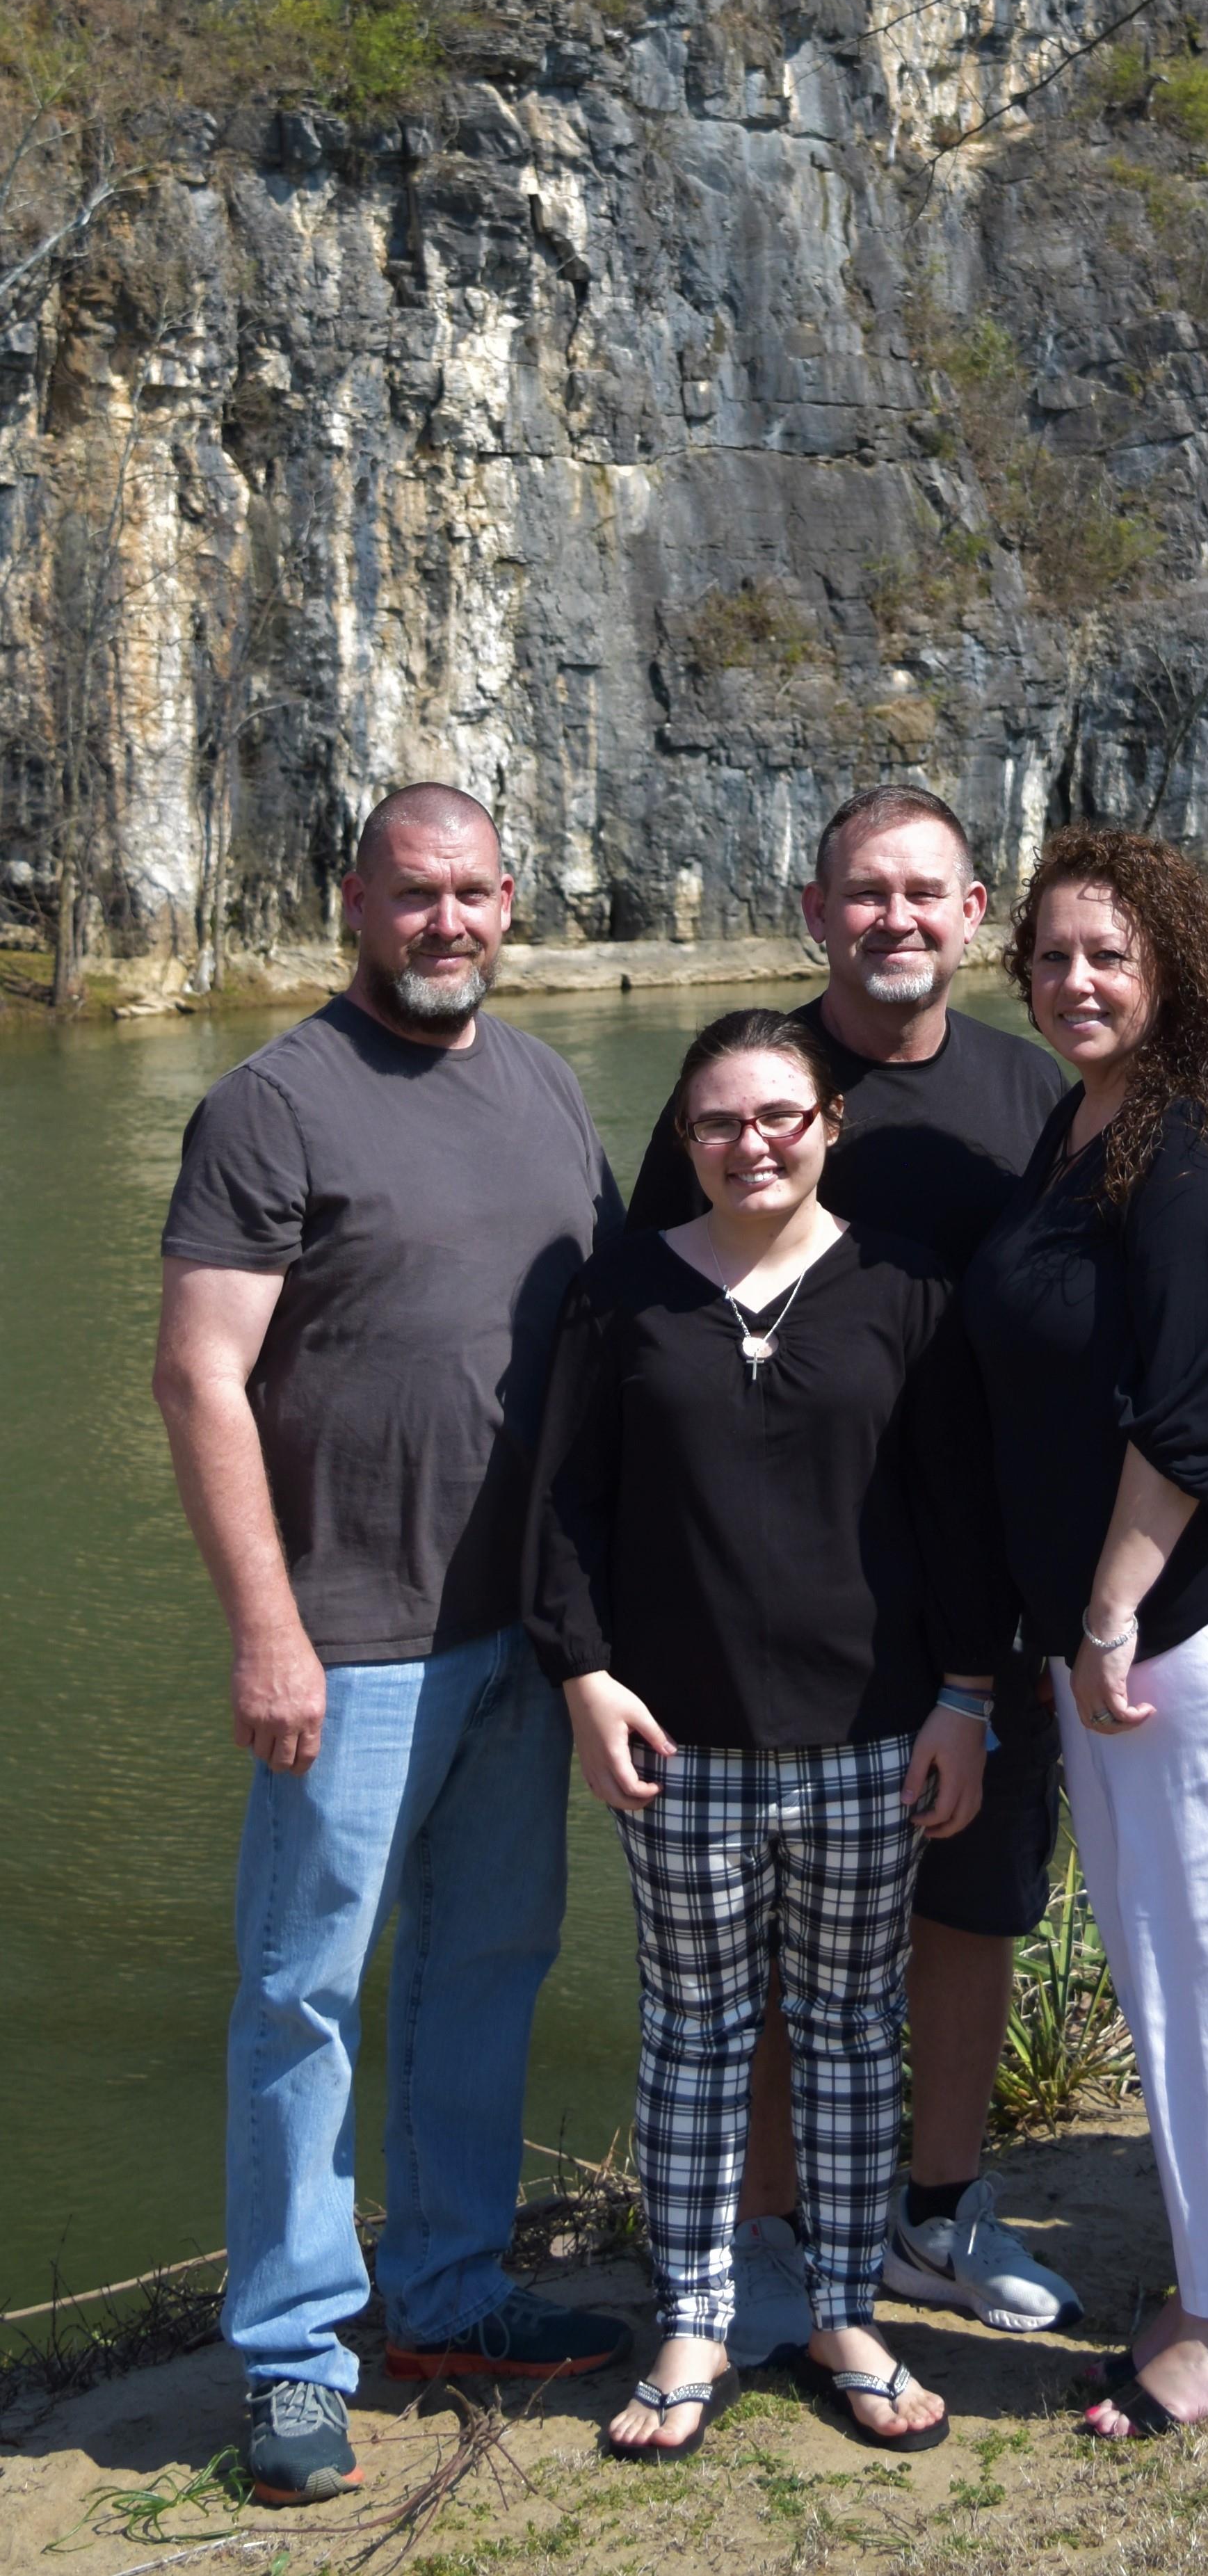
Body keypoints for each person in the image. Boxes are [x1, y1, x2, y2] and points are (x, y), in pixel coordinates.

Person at [152, 787, 630, 2509]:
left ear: (513, 902)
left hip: (519, 1632)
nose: (449, 924)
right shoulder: (273, 1104)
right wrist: (265, 1628)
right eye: (415, 895)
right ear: (353, 898)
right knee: (302, 1994)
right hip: (347, 1638)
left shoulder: (545, 1084)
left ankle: (447, 2294)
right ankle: (293, 2350)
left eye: (476, 894)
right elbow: (201, 1373)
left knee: (484, 1965)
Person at [625, 787, 1077, 2355]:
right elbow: (639, 1346)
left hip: (987, 1599)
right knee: (756, 1949)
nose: (894, 918)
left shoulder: (1040, 1099)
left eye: (924, 892)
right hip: (766, 1625)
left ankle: (935, 2211)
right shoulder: (743, 1093)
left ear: (973, 915)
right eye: (862, 894)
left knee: (973, 1905)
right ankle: (768, 2238)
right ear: (817, 914)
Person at [526, 1009, 1008, 2458]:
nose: (753, 1145)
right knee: (693, 2036)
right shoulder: (621, 1296)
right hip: (680, 1747)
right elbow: (563, 1508)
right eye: (722, 1123)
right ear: (684, 1140)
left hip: (874, 1737)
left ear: (827, 1129)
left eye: (781, 1118)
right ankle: (694, 2316)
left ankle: (843, 2311)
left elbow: (960, 1515)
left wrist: (966, 1700)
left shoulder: (904, 1290)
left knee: (856, 2035)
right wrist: (584, 1679)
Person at [956, 826, 1208, 2439]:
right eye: (1052, 955)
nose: (1075, 981)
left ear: (1175, 967)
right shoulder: (1078, 1127)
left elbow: (1198, 1412)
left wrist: (1110, 1610)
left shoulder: (1188, 1136)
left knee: (1206, 1965)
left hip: (1201, 1602)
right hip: (1115, 1621)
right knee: (1154, 1955)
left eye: (1109, 955)